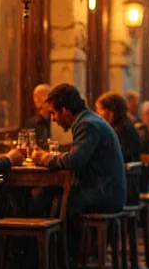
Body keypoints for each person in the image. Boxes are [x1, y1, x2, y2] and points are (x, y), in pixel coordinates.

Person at [31, 84, 127, 255]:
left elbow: (76, 160)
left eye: (54, 113)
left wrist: (46, 158)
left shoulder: (87, 124)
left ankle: (63, 262)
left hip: (104, 194)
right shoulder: (89, 120)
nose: (52, 118)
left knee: (59, 203)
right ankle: (53, 260)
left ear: (66, 111)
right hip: (105, 189)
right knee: (46, 197)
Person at [95, 91, 149, 164]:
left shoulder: (120, 128)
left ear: (109, 112)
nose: (98, 114)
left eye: (100, 110)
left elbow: (114, 156)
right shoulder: (125, 124)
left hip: (122, 173)